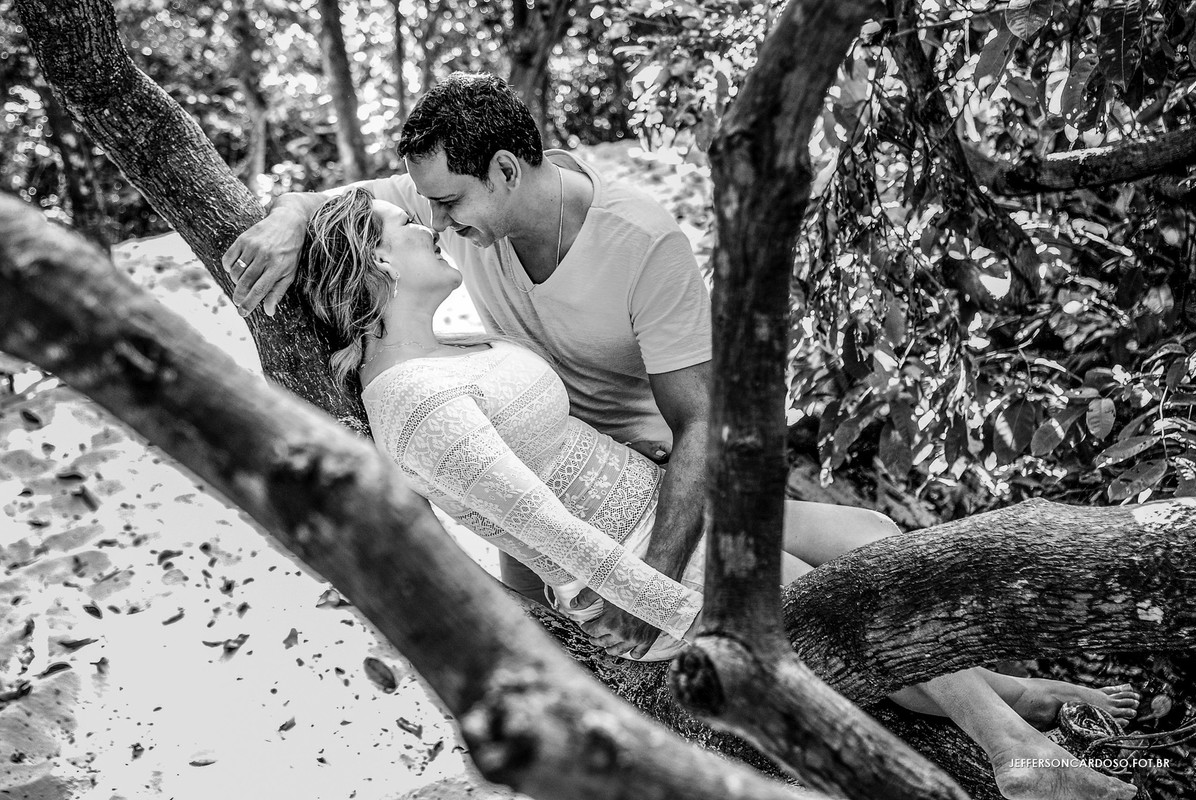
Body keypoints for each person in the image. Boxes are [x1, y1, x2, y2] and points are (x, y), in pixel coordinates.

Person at [294, 186, 1140, 800]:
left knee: (868, 530)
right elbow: (545, 531)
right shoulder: (416, 404)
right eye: (408, 225)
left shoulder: (434, 358)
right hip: (634, 567)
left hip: (659, 505)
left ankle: (1006, 696)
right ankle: (1017, 749)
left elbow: (534, 469)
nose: (430, 227)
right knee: (848, 597)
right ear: (378, 259)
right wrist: (672, 608)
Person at [223, 71, 898, 661]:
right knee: (834, 612)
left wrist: (653, 584)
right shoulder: (456, 198)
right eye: (428, 206)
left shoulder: (640, 240)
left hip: (665, 487)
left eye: (449, 204)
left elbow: (701, 422)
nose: (435, 222)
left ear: (506, 171)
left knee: (871, 541)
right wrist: (288, 216)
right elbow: (345, 214)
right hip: (554, 485)